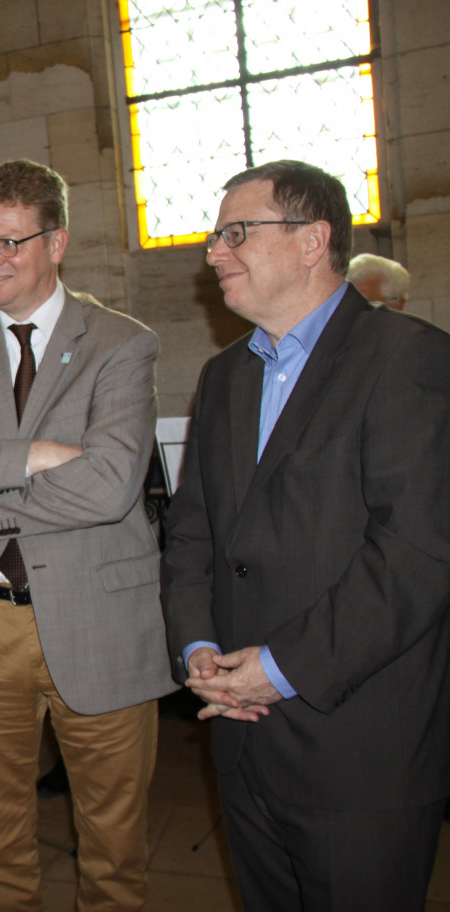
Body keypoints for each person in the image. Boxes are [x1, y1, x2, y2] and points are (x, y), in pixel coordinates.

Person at [161, 160, 450, 911]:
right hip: (241, 732)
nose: (214, 253)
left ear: (312, 240)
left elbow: (417, 555)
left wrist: (283, 667)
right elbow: (193, 531)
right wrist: (198, 649)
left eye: (236, 233)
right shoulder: (224, 376)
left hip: (357, 747)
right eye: (216, 236)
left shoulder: (406, 358)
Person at [0, 159, 175, 911]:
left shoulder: (121, 343)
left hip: (99, 616)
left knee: (113, 852)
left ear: (58, 242)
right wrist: (35, 457)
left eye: (11, 242)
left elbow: (112, 485)